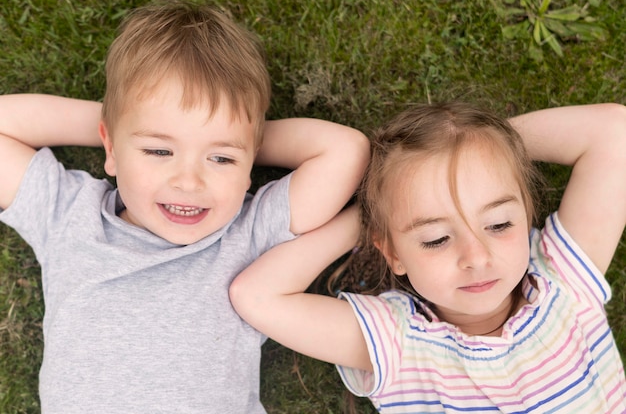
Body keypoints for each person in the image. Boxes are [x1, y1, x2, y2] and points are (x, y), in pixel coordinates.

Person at [0, 1, 370, 413]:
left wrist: (243, 141)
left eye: (221, 160)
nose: (189, 182)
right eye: (159, 150)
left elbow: (346, 152)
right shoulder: (68, 216)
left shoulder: (245, 233)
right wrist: (119, 123)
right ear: (111, 147)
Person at [230, 102, 626, 412]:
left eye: (499, 225)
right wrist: (370, 217)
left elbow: (615, 132)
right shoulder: (399, 343)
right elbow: (258, 296)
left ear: (524, 215)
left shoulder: (564, 280)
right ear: (393, 254)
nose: (476, 257)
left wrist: (482, 146)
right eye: (436, 239)